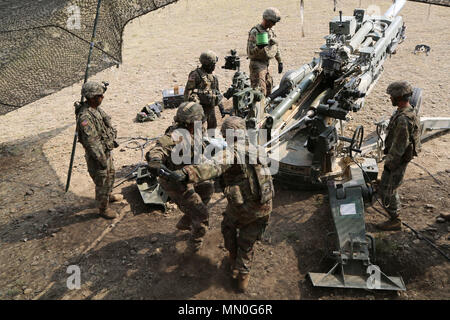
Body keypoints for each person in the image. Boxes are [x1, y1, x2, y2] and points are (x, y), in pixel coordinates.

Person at [170, 116, 274, 292]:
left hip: (243, 208)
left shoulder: (231, 152)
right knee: (248, 241)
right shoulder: (258, 148)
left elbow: (212, 167)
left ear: (228, 135)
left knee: (228, 226)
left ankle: (233, 258)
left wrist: (186, 174)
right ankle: (242, 276)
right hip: (265, 205)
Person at [145, 102, 214, 252]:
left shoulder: (197, 129)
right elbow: (158, 150)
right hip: (175, 182)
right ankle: (193, 247)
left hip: (189, 174)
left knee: (208, 188)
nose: (202, 123)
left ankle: (188, 219)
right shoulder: (175, 136)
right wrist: (155, 160)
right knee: (202, 215)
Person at [376, 81, 421, 231]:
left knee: (388, 190)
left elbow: (399, 146)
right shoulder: (407, 111)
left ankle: (395, 219)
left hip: (397, 160)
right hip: (399, 158)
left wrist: (389, 164)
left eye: (392, 96)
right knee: (389, 184)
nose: (390, 98)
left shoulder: (403, 119)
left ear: (399, 97)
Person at [76, 81, 122, 219]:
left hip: (105, 151)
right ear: (92, 98)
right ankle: (103, 208)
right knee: (102, 181)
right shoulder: (85, 118)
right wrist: (102, 160)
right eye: (99, 95)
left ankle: (108, 196)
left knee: (111, 176)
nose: (102, 97)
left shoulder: (95, 109)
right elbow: (92, 143)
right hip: (98, 156)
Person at [247, 7, 283, 97]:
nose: (274, 25)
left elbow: (275, 47)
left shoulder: (270, 31)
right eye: (273, 22)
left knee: (269, 88)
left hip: (267, 64)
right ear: (266, 20)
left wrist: (280, 61)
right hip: (257, 65)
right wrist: (259, 47)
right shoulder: (255, 32)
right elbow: (250, 53)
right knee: (259, 93)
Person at [184, 51, 224, 130]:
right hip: (199, 108)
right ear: (207, 65)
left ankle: (211, 141)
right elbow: (188, 92)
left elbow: (217, 92)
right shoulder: (195, 75)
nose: (214, 67)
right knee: (198, 128)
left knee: (212, 126)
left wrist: (221, 108)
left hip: (210, 107)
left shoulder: (213, 76)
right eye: (213, 65)